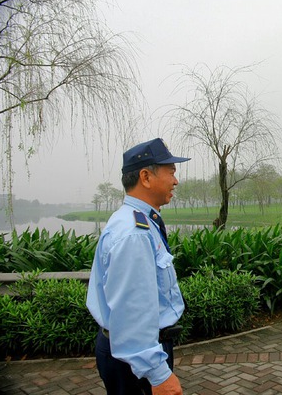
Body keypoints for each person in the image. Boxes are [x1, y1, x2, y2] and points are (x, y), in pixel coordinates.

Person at [87, 138, 190, 395]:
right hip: (135, 361)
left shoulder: (138, 221)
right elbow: (131, 313)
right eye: (171, 173)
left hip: (131, 353)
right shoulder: (135, 233)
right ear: (145, 177)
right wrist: (158, 374)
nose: (175, 181)